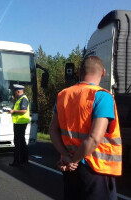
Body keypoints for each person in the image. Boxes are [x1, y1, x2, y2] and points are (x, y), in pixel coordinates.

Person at [49, 56, 122, 200]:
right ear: (103, 73)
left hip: (70, 167)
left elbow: (53, 130)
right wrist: (74, 160)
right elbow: (94, 139)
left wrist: (65, 156)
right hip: (95, 169)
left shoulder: (63, 95)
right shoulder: (102, 96)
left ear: (80, 72)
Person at [9, 84, 30, 167]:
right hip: (19, 123)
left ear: (18, 91)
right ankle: (23, 160)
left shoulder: (23, 99)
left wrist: (13, 111)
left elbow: (24, 110)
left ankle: (18, 161)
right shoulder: (20, 99)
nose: (15, 93)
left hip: (21, 123)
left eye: (15, 92)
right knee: (21, 142)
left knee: (18, 142)